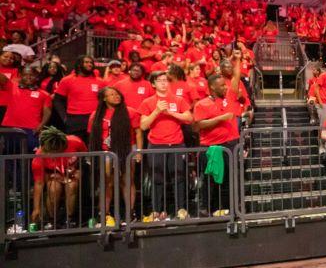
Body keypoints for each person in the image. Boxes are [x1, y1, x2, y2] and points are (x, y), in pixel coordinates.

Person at [137, 71, 193, 221]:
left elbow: (189, 118)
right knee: (157, 178)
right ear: (153, 84)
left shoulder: (178, 100)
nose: (163, 83)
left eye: (165, 80)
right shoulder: (147, 102)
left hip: (176, 143)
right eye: (159, 80)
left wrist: (171, 113)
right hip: (156, 144)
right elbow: (143, 125)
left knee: (179, 176)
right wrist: (157, 111)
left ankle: (180, 209)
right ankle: (157, 210)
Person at [88, 87, 142, 221]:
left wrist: (139, 151)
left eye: (117, 93)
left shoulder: (130, 112)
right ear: (104, 98)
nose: (116, 96)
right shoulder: (96, 115)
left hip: (127, 149)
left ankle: (130, 213)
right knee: (107, 183)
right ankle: (104, 214)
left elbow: (138, 132)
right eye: (111, 94)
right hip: (105, 151)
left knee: (127, 181)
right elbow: (92, 135)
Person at [193, 74, 240, 215]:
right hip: (210, 147)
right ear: (212, 87)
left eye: (225, 85)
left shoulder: (229, 98)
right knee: (209, 180)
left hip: (229, 145)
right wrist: (221, 118)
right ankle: (206, 210)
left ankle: (227, 210)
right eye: (222, 85)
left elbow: (236, 78)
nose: (225, 87)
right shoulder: (201, 104)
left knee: (229, 179)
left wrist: (237, 60)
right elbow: (198, 125)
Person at [31, 127, 88, 229]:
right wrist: (36, 208)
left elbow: (86, 158)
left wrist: (79, 170)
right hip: (53, 176)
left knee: (72, 186)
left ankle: (69, 219)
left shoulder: (75, 141)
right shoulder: (39, 156)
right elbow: (39, 183)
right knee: (53, 188)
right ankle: (52, 220)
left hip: (73, 173)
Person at [54, 55, 104, 143]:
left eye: (91, 63)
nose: (90, 64)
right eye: (87, 62)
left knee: (94, 146)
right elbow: (58, 100)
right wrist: (64, 118)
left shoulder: (100, 81)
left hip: (94, 118)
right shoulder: (67, 80)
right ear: (79, 64)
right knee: (75, 147)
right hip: (74, 119)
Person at [1, 67, 52, 151]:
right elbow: (2, 78)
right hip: (10, 127)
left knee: (29, 157)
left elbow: (47, 112)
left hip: (31, 130)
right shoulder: (12, 86)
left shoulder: (45, 94)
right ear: (20, 76)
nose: (28, 77)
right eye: (25, 75)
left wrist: (40, 126)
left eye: (31, 75)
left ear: (37, 77)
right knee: (9, 156)